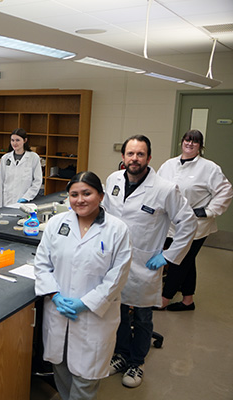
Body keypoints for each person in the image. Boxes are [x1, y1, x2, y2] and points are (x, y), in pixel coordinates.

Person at [103, 134, 196, 388]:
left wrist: (168, 255)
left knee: (142, 315)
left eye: (140, 154)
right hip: (113, 260)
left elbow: (188, 223)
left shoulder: (165, 189)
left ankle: (137, 362)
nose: (135, 159)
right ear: (123, 157)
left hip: (144, 262)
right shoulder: (113, 180)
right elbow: (106, 214)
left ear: (149, 158)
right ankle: (121, 355)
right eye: (130, 154)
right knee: (118, 310)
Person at [35, 171, 132, 400]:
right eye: (74, 194)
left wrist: (85, 303)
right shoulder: (57, 224)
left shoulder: (117, 230)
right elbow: (41, 263)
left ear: (100, 195)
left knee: (85, 381)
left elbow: (117, 277)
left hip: (95, 317)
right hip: (58, 312)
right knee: (60, 367)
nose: (80, 200)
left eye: (87, 193)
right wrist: (55, 295)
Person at [157, 129, 232, 311]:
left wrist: (208, 211)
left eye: (195, 142)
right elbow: (158, 187)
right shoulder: (169, 164)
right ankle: (188, 301)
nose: (190, 144)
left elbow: (226, 190)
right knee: (187, 261)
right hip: (172, 224)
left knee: (178, 261)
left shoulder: (209, 168)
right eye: (187, 140)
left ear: (200, 146)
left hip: (196, 226)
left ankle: (163, 300)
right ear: (182, 142)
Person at [0, 128, 42, 208]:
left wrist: (26, 197)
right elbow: (0, 182)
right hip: (7, 202)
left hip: (25, 203)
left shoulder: (33, 157)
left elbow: (37, 181)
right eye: (12, 140)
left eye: (17, 140)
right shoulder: (5, 158)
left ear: (25, 140)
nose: (14, 143)